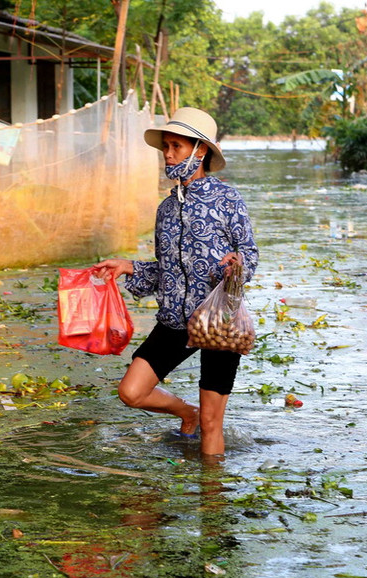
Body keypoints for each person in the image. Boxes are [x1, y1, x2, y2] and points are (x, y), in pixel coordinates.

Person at [94, 107, 258, 458]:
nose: (167, 155)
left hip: (218, 325)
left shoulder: (228, 200)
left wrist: (237, 266)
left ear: (200, 150)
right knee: (131, 392)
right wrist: (128, 266)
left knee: (213, 425)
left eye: (176, 147)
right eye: (165, 147)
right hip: (173, 321)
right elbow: (164, 272)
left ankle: (211, 501)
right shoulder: (165, 210)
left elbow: (250, 254)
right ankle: (187, 412)